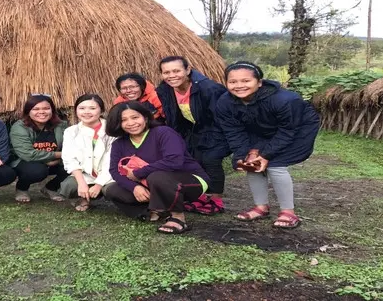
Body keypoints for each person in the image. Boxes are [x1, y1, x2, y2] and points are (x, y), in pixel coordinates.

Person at [216, 61, 319, 229]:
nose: (239, 86)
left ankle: (288, 212)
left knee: (275, 165)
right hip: (261, 128)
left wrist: (266, 155)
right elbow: (233, 131)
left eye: (246, 81)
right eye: (233, 82)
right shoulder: (224, 103)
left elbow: (287, 131)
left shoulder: (284, 100)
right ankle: (261, 207)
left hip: (298, 129)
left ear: (259, 82)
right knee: (251, 163)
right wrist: (242, 154)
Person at [105, 101, 210, 234]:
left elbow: (174, 161)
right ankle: (152, 211)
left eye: (135, 117)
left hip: (191, 180)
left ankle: (178, 218)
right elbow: (115, 171)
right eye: (123, 120)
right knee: (112, 190)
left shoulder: (163, 132)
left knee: (156, 176)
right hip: (150, 184)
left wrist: (139, 173)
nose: (131, 123)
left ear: (146, 117)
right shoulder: (119, 144)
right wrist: (134, 187)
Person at [156, 56, 230, 214]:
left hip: (217, 129)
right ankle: (201, 196)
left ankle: (216, 199)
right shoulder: (165, 89)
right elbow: (173, 115)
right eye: (166, 72)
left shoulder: (208, 89)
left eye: (176, 71)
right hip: (193, 130)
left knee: (211, 160)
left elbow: (223, 117)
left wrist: (216, 140)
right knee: (193, 161)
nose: (171, 75)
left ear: (188, 70)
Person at [60, 94, 116, 211]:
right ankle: (83, 198)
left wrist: (99, 184)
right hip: (87, 175)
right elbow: (69, 158)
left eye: (92, 108)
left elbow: (111, 160)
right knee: (69, 186)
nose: (86, 112)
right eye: (82, 108)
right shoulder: (71, 131)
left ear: (101, 110)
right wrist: (81, 183)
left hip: (109, 174)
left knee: (112, 190)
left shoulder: (112, 130)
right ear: (76, 110)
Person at [10, 94, 69, 203]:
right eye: (36, 109)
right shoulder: (20, 127)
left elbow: (70, 147)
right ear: (28, 111)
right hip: (27, 162)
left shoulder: (61, 125)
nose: (42, 112)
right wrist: (57, 155)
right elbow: (27, 154)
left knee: (76, 164)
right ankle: (22, 188)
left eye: (46, 108)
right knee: (36, 171)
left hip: (56, 161)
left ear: (52, 110)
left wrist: (59, 159)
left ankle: (51, 188)